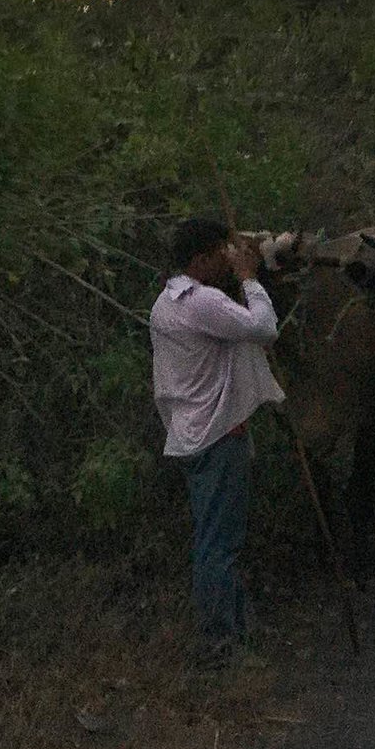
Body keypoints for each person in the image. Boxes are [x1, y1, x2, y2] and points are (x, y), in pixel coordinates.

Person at [150, 217, 284, 670]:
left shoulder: (165, 304)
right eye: (220, 255)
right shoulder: (202, 302)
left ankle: (231, 629)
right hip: (217, 435)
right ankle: (222, 644)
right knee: (220, 545)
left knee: (214, 539)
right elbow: (264, 329)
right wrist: (251, 279)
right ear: (203, 257)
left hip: (191, 433)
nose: (226, 263)